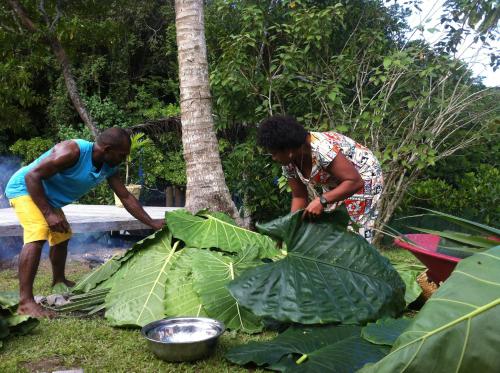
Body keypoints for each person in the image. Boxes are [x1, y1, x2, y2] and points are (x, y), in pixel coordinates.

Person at [5, 127, 164, 318]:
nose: (124, 160)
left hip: (47, 196)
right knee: (38, 231)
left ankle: (58, 280)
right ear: (107, 150)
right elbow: (32, 176)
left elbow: (126, 197)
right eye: (122, 155)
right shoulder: (72, 151)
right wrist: (48, 214)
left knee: (62, 235)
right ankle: (25, 303)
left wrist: (152, 222)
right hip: (24, 188)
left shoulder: (110, 167)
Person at [257, 115, 383, 243]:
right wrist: (290, 229)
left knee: (354, 234)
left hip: (363, 175)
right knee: (333, 230)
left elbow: (354, 181)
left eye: (274, 154)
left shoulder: (321, 148)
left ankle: (362, 260)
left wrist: (322, 200)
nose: (273, 158)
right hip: (338, 182)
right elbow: (299, 197)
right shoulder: (289, 163)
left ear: (288, 150)